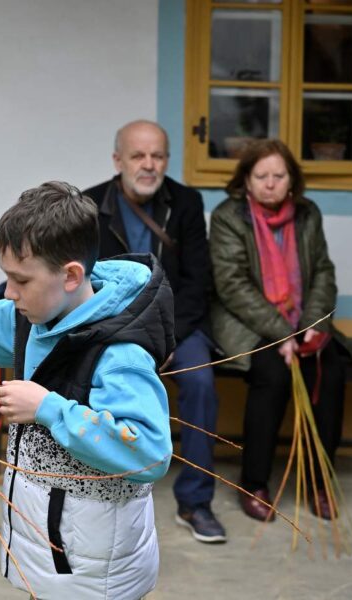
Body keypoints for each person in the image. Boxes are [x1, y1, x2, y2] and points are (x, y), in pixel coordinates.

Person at [0, 181, 173, 600]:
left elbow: (149, 452)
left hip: (97, 571)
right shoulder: (32, 318)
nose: (8, 292)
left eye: (21, 280)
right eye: (7, 277)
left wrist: (48, 409)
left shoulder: (119, 356)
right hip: (49, 552)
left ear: (71, 275)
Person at [84, 120, 226, 543]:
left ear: (167, 160)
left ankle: (195, 502)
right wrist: (123, 334)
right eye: (138, 156)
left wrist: (167, 337)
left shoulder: (186, 203)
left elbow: (198, 282)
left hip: (177, 326)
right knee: (90, 380)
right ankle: (98, 490)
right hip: (113, 327)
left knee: (200, 383)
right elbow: (86, 281)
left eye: (158, 156)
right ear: (118, 160)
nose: (149, 165)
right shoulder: (90, 205)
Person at [209, 138, 352, 522]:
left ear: (292, 180)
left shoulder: (308, 214)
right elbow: (232, 285)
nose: (270, 184)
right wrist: (281, 333)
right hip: (246, 322)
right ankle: (254, 483)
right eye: (261, 176)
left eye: (279, 175)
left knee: (329, 370)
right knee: (272, 374)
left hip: (303, 319)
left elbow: (322, 271)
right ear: (246, 180)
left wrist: (311, 327)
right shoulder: (228, 216)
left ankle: (320, 482)